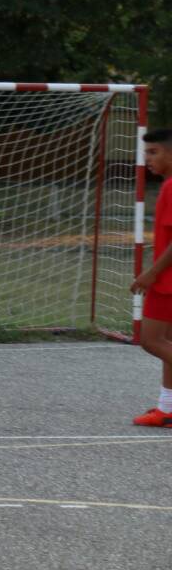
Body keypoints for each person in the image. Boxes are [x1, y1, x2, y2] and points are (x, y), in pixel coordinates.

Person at [131, 128, 172, 427]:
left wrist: (150, 273)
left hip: (167, 281)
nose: (148, 159)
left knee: (151, 340)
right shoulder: (167, 185)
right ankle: (167, 408)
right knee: (167, 341)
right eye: (146, 153)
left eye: (154, 152)